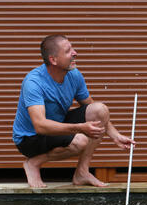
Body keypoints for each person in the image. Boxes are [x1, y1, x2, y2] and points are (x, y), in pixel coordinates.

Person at [12, 34, 135, 188]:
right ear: (53, 60)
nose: (75, 53)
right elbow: (40, 125)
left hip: (57, 125)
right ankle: (33, 163)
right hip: (30, 138)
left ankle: (82, 172)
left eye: (73, 48)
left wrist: (115, 135)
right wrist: (80, 128)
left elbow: (92, 107)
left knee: (100, 109)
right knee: (80, 141)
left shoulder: (74, 75)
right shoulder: (34, 82)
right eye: (68, 51)